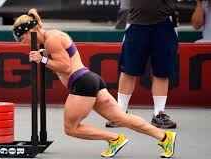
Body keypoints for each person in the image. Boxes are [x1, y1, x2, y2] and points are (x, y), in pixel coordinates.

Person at [12, 8, 177, 158]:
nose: (21, 42)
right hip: (90, 79)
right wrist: (45, 55)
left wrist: (42, 59)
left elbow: (65, 66)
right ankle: (164, 137)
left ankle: (114, 139)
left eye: (21, 37)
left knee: (71, 128)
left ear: (32, 30)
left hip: (81, 83)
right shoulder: (51, 39)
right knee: (120, 118)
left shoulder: (52, 39)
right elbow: (61, 61)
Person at [106, 0, 178, 129]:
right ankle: (120, 113)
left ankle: (159, 114)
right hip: (136, 24)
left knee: (162, 72)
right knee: (128, 70)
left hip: (165, 23)